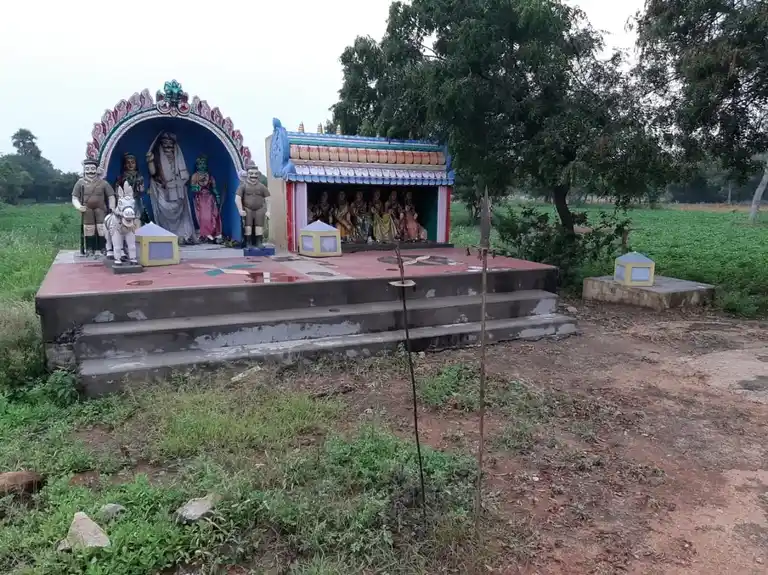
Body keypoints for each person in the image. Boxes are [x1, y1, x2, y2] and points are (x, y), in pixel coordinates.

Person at [145, 131, 196, 242]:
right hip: (163, 191)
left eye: (170, 145)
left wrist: (179, 182)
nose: (168, 148)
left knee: (181, 215)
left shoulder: (179, 161)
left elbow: (185, 177)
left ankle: (182, 235)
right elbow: (153, 173)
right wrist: (150, 161)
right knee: (164, 209)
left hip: (178, 192)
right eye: (165, 145)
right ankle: (167, 234)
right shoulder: (157, 158)